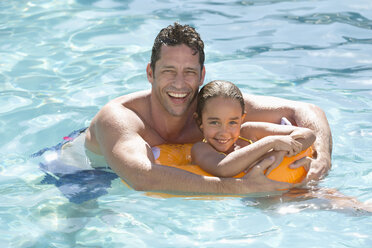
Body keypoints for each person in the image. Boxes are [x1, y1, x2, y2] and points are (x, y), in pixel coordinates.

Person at [84, 22, 332, 194]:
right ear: (150, 72)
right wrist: (239, 188)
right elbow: (142, 176)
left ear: (202, 75)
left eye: (189, 72)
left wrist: (322, 158)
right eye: (169, 71)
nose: (179, 84)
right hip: (85, 173)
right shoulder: (120, 117)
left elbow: (307, 110)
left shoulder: (211, 110)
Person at [191, 80, 316, 178]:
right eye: (214, 122)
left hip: (290, 192)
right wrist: (270, 143)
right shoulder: (200, 149)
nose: (224, 132)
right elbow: (223, 168)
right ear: (200, 121)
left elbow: (307, 134)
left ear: (242, 118)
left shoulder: (249, 132)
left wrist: (278, 153)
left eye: (233, 122)